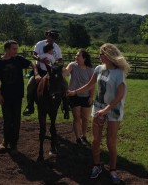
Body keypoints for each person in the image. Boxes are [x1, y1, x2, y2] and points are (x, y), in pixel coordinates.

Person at [67, 43, 131, 183]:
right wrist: (75, 92)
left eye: (101, 54)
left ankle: (113, 170)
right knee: (96, 140)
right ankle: (96, 166)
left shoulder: (118, 73)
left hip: (113, 110)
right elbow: (90, 85)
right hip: (98, 108)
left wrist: (107, 109)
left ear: (108, 55)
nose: (99, 56)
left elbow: (120, 95)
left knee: (110, 141)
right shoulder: (98, 69)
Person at [0, 40, 40, 155]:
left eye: (16, 49)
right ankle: (5, 141)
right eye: (14, 49)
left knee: (16, 120)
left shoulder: (18, 60)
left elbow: (32, 64)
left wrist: (36, 73)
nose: (16, 51)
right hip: (5, 96)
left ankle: (14, 143)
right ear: (7, 49)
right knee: (7, 119)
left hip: (18, 96)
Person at [23, 29, 70, 119]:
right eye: (51, 37)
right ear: (47, 36)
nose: (52, 40)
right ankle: (30, 106)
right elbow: (34, 55)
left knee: (64, 84)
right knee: (30, 85)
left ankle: (66, 106)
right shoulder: (40, 44)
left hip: (52, 72)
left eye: (54, 39)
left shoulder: (56, 47)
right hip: (40, 70)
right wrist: (41, 60)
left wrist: (57, 66)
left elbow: (60, 59)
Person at [62, 50, 94, 147]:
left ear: (84, 58)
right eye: (76, 55)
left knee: (85, 118)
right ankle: (78, 138)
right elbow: (65, 73)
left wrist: (91, 96)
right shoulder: (72, 65)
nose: (76, 57)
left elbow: (92, 85)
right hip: (73, 95)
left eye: (78, 56)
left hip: (86, 96)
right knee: (77, 118)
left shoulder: (90, 70)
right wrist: (60, 73)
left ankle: (84, 136)